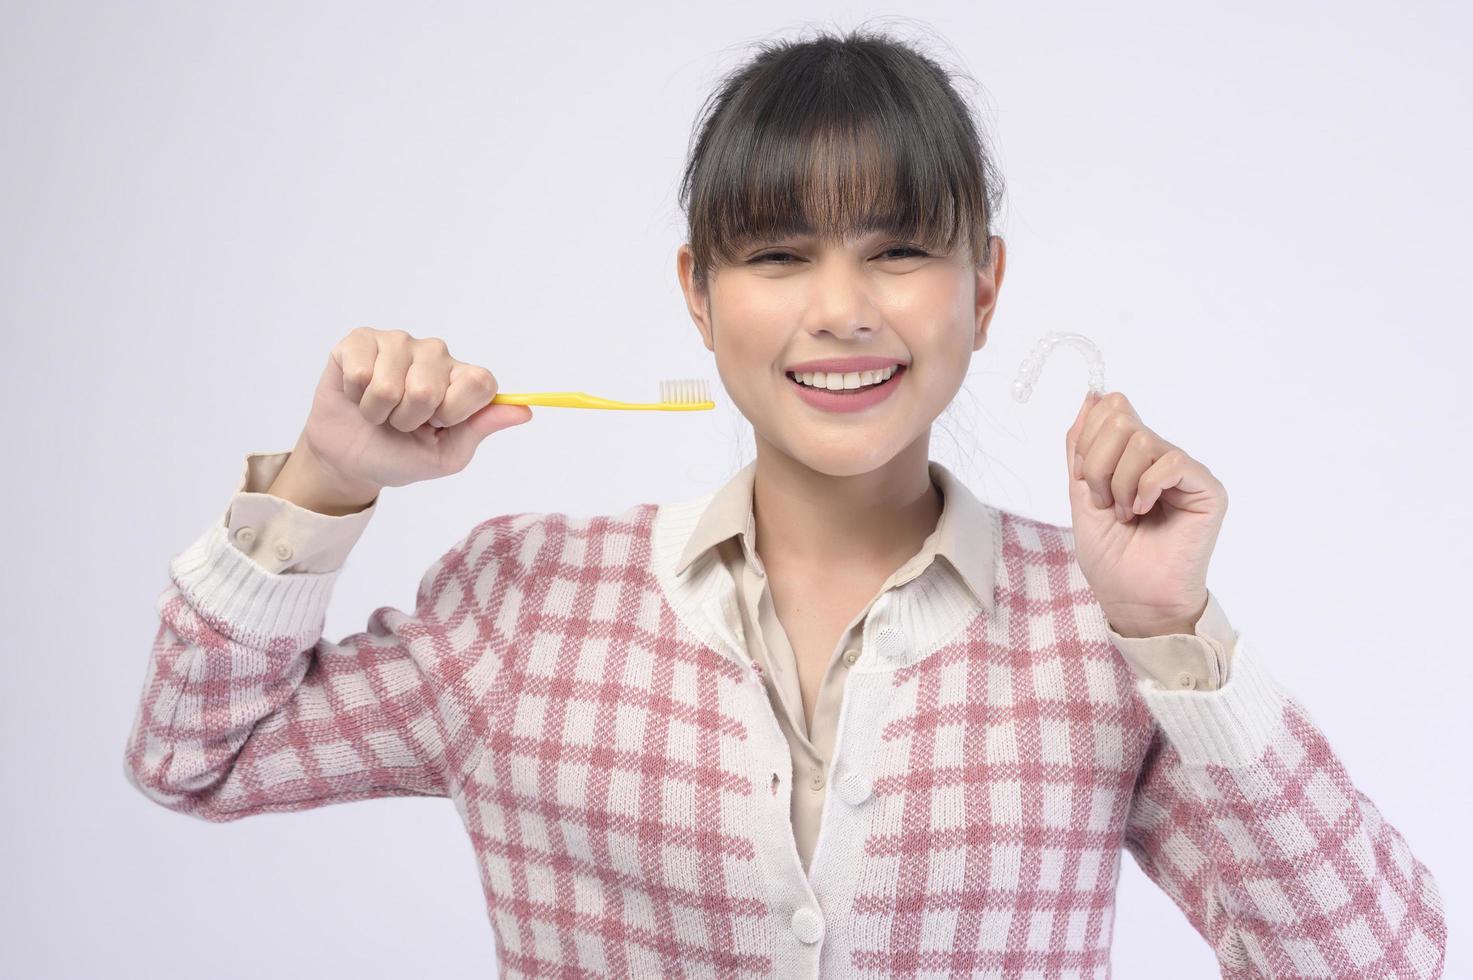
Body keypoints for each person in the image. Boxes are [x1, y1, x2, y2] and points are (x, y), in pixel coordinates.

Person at [123, 24, 1446, 979]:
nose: (839, 310)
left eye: (898, 251)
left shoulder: (1098, 630)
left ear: (983, 288)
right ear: (696, 291)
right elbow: (197, 757)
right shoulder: (525, 599)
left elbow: (1372, 965)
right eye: (775, 254)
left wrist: (1173, 627)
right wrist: (328, 481)